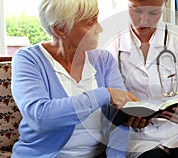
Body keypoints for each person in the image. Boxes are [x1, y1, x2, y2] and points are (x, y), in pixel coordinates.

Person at [10, 0, 138, 157]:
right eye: (90, 23)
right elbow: (40, 117)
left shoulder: (104, 60)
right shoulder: (28, 60)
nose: (100, 28)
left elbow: (120, 120)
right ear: (60, 29)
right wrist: (105, 94)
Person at [103, 0, 178, 157]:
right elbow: (109, 102)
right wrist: (126, 117)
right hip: (140, 136)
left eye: (153, 13)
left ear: (166, 5)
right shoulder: (112, 46)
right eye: (136, 10)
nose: (143, 20)